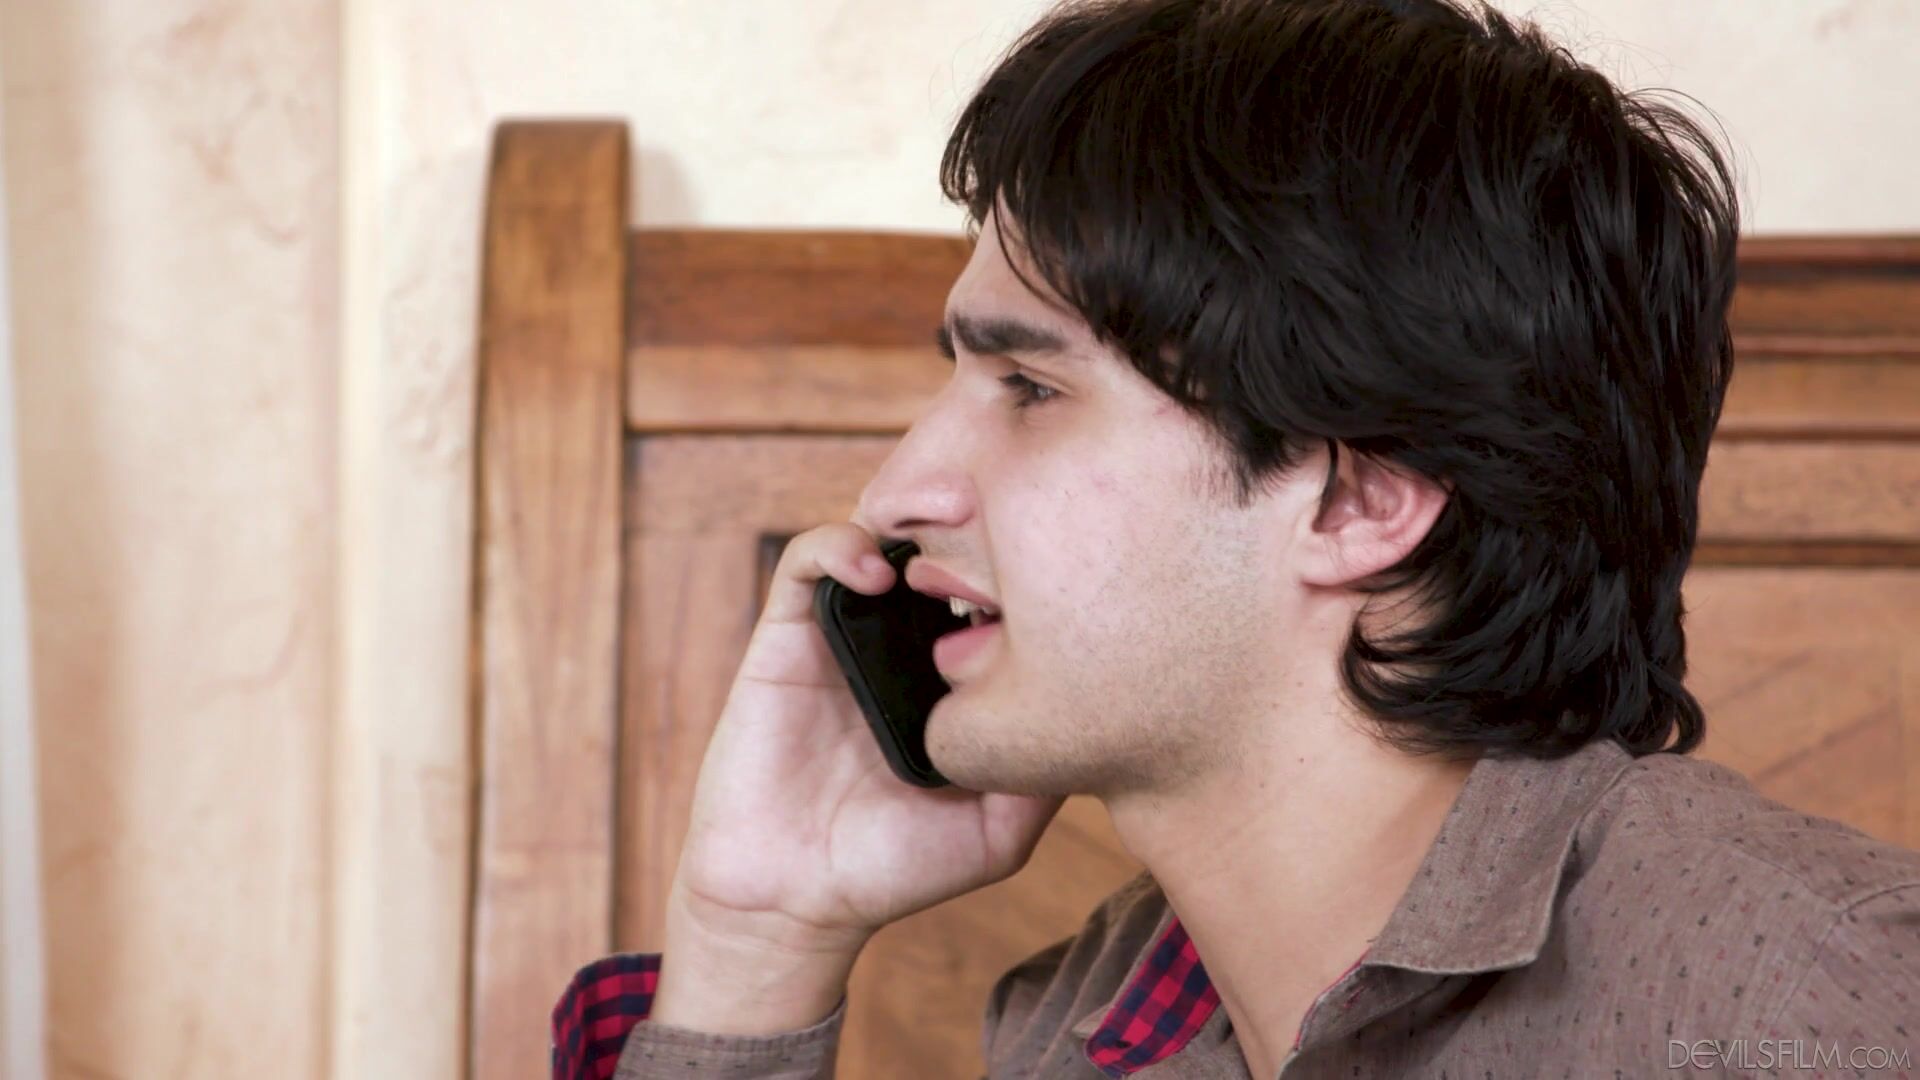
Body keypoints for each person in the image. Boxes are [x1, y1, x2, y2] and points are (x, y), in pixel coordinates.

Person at [551, 1, 1920, 1077]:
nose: (899, 492)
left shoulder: (1803, 997)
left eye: (1029, 388)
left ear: (1357, 502)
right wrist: (757, 945)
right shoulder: (1082, 1026)